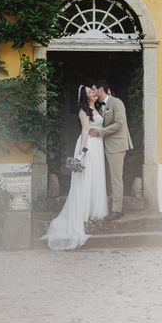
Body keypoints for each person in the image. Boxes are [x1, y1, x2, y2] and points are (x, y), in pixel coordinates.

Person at [44, 85, 108, 250]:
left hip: (98, 146)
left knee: (96, 177)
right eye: (90, 92)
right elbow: (86, 130)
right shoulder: (83, 111)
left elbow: (101, 124)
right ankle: (83, 212)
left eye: (93, 91)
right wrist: (82, 153)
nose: (93, 93)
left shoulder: (98, 108)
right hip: (89, 147)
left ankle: (94, 208)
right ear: (85, 97)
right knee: (85, 179)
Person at [90, 80, 133, 220]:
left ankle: (117, 210)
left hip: (117, 145)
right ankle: (112, 205)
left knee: (116, 178)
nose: (92, 92)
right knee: (107, 178)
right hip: (104, 146)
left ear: (101, 90)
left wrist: (100, 132)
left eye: (94, 89)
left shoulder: (116, 102)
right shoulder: (98, 105)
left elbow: (119, 123)